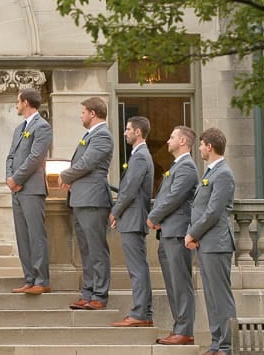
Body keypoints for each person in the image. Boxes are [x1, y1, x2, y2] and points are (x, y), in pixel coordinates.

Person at [185, 128, 237, 355]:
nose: (199, 148)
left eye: (201, 144)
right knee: (211, 296)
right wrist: (194, 234)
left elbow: (213, 212)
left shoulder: (223, 173)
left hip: (217, 243)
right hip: (206, 243)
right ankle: (216, 344)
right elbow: (198, 208)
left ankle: (226, 346)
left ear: (210, 147)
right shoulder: (210, 172)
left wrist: (192, 233)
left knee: (220, 296)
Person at [59, 96, 113, 310]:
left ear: (92, 113)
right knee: (86, 250)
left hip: (93, 199)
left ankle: (99, 295)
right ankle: (88, 292)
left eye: (83, 112)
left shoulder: (102, 136)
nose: (80, 116)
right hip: (81, 199)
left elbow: (86, 163)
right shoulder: (89, 135)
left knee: (96, 249)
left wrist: (66, 175)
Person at [147, 125, 198, 346]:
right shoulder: (177, 165)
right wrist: (159, 218)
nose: (168, 141)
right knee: (172, 283)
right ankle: (179, 327)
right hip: (168, 231)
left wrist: (154, 216)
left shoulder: (187, 167)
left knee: (180, 283)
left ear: (184, 142)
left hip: (178, 232)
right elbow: (165, 196)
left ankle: (184, 330)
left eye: (172, 137)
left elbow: (174, 197)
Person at [6, 88, 53, 295]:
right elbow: (11, 156)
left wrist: (17, 178)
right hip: (16, 190)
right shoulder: (18, 129)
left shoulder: (42, 126)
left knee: (36, 235)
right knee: (22, 235)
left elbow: (35, 158)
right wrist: (9, 178)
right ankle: (29, 278)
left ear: (26, 102)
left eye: (18, 101)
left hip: (32, 188)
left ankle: (41, 280)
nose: (16, 104)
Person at [109, 116, 154, 327]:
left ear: (138, 132)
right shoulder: (138, 155)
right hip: (133, 218)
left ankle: (138, 314)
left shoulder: (140, 157)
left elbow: (129, 191)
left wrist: (115, 212)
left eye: (128, 129)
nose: (125, 133)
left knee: (137, 270)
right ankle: (144, 313)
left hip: (134, 219)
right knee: (138, 268)